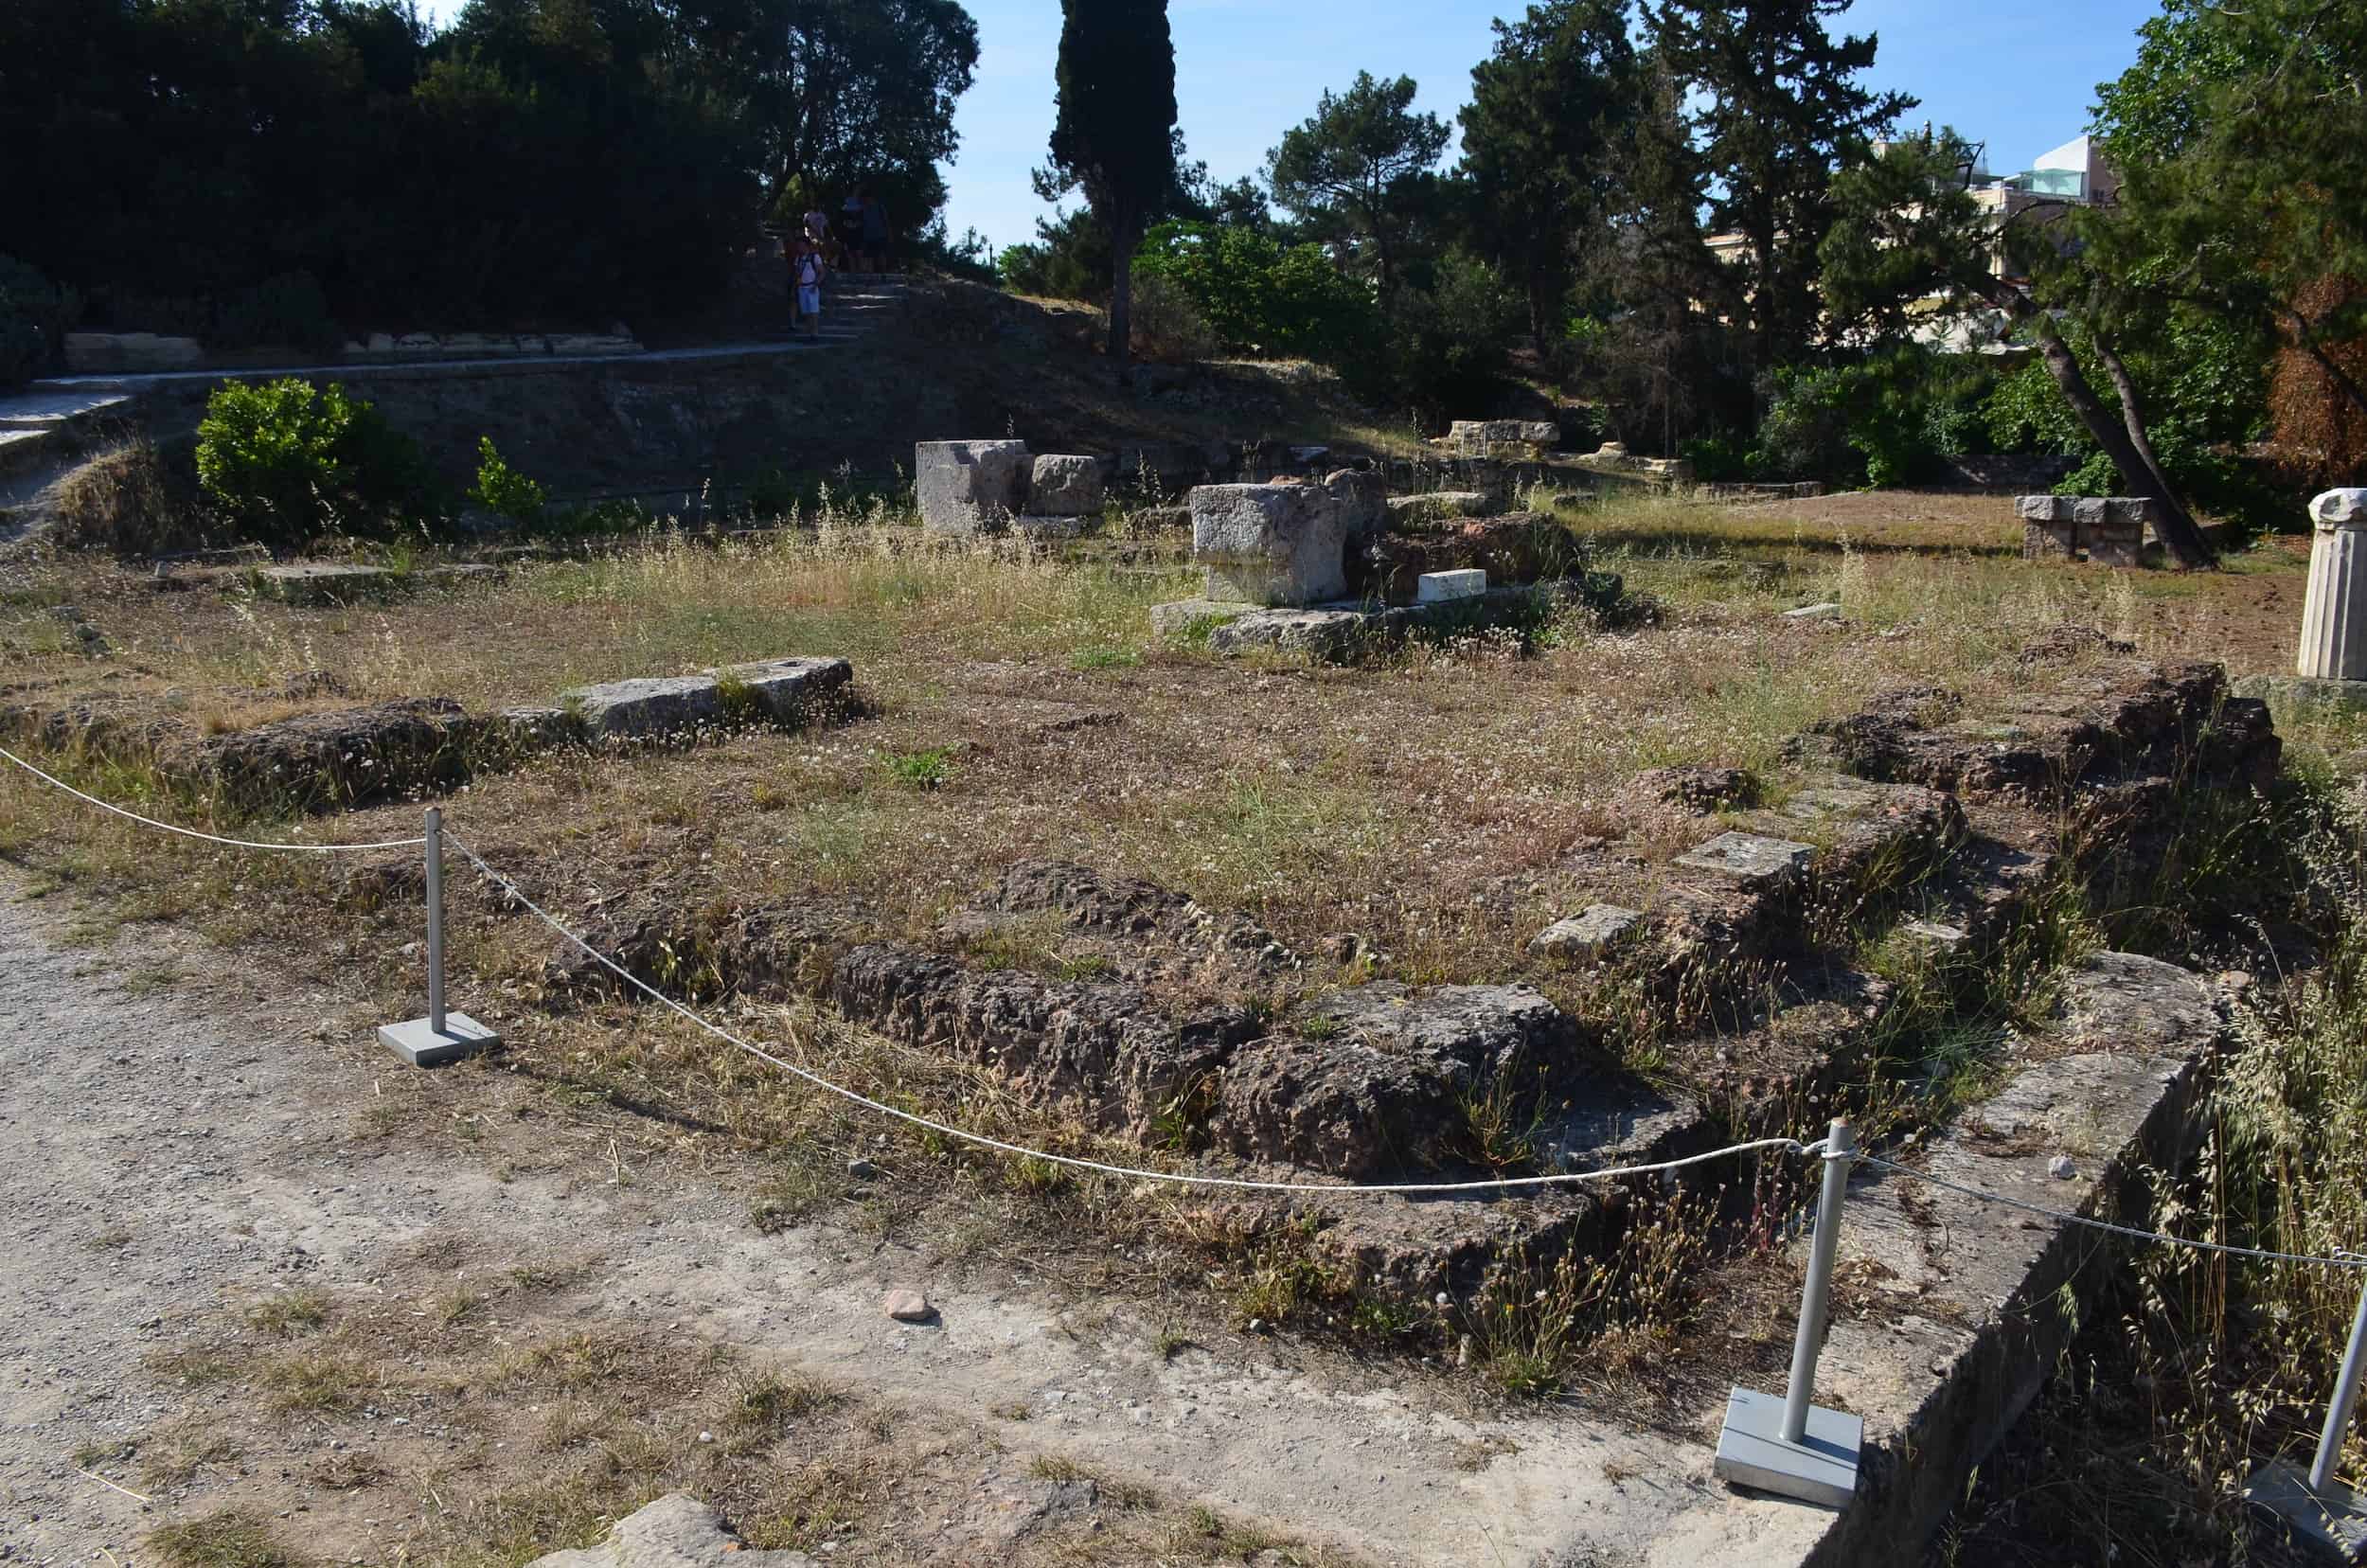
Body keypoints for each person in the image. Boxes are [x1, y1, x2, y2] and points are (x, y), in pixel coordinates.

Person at [791, 236, 826, 340]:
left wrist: (815, 285)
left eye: (801, 245)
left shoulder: (815, 257)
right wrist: (795, 286)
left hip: (812, 287)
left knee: (813, 311)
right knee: (806, 312)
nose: (799, 247)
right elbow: (797, 273)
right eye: (798, 245)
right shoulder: (799, 258)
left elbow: (822, 272)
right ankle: (810, 333)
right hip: (802, 287)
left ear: (806, 245)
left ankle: (815, 334)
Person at [859, 186, 892, 274]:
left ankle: (883, 273)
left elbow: (886, 221)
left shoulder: (879, 207)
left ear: (870, 198)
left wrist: (889, 234)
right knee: (868, 256)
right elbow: (862, 223)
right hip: (868, 236)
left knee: (881, 255)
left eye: (866, 199)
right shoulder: (863, 209)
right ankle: (870, 275)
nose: (865, 201)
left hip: (880, 234)